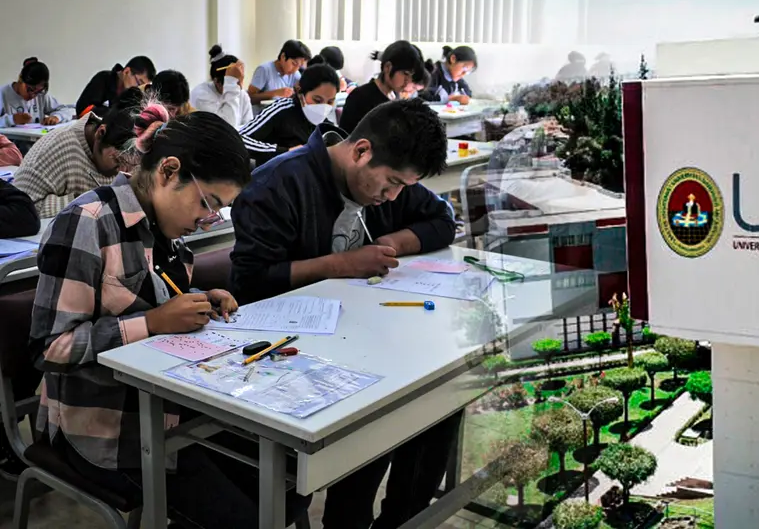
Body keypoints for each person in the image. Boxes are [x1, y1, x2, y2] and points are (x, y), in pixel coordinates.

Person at [28, 101, 312, 527]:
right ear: (167, 171)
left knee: (291, 488)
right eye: (206, 202)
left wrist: (200, 298)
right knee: (243, 516)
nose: (207, 220)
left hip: (175, 408)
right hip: (104, 427)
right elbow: (51, 347)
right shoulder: (87, 223)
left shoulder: (170, 232)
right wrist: (155, 322)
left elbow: (152, 296)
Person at [229, 98, 458, 529]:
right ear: (361, 151)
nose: (391, 197)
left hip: (362, 339)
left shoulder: (384, 188)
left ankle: (401, 519)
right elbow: (250, 286)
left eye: (402, 189)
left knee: (440, 400)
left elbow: (443, 219)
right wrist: (340, 266)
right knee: (378, 419)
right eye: (390, 184)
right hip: (291, 358)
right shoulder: (277, 184)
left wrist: (391, 243)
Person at [14, 89, 143, 218]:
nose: (124, 172)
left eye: (132, 165)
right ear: (100, 134)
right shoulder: (57, 150)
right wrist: (85, 200)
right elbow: (21, 208)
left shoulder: (132, 148)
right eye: (118, 162)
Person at [239, 63, 340, 166]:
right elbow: (238, 139)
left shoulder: (326, 127)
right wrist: (285, 151)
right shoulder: (282, 110)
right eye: (317, 100)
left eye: (330, 102)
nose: (323, 107)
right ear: (301, 93)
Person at [339, 40, 425, 134]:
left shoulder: (395, 96)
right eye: (405, 74)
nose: (407, 81)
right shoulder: (360, 98)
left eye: (411, 76)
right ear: (387, 67)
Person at [191, 44, 252, 128]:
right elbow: (227, 128)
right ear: (216, 81)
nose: (239, 87)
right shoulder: (201, 96)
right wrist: (231, 85)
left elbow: (250, 125)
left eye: (240, 81)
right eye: (233, 83)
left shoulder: (241, 93)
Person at [0, 58, 75, 128]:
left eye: (38, 92)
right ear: (20, 79)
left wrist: (57, 117)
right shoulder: (3, 94)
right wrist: (11, 120)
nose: (33, 95)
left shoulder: (41, 97)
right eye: (29, 89)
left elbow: (66, 110)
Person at [75, 56, 156, 117]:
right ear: (127, 72)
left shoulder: (135, 95)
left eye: (143, 86)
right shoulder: (103, 78)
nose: (139, 88)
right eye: (139, 82)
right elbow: (82, 109)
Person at [248, 39, 311, 107]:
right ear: (283, 56)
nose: (295, 69)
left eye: (299, 66)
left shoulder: (295, 74)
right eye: (294, 64)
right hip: (262, 115)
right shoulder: (264, 70)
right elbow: (249, 98)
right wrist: (275, 93)